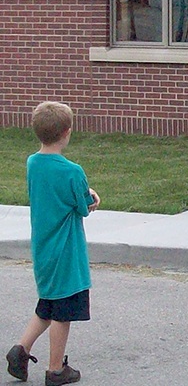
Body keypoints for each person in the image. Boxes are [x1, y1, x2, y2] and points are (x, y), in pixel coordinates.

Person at [7, 101, 100, 386]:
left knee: (47, 304)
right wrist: (93, 196)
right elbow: (84, 205)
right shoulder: (72, 170)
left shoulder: (32, 162)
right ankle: (56, 369)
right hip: (66, 252)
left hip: (43, 247)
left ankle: (20, 350)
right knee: (63, 311)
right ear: (67, 132)